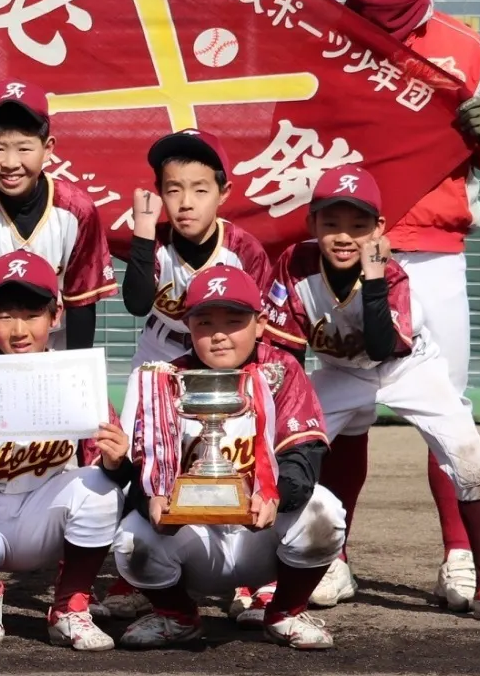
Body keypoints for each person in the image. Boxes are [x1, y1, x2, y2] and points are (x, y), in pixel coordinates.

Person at [339, 0, 480, 612]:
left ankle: (461, 557)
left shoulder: (461, 47)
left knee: (446, 409)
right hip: (340, 251)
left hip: (432, 250)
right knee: (343, 411)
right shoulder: (320, 37)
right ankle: (328, 555)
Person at [266, 168, 480, 625]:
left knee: (472, 459)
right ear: (311, 225)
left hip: (409, 369)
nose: (344, 236)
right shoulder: (295, 264)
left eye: (358, 225)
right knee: (277, 449)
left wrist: (373, 279)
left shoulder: (391, 276)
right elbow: (284, 350)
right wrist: (289, 418)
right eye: (331, 224)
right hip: (341, 373)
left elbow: (379, 346)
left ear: (379, 229)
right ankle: (272, 576)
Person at [113, 264, 346, 651]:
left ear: (260, 324)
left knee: (324, 511)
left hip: (261, 534)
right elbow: (144, 465)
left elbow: (304, 455)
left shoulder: (281, 371)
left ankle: (285, 612)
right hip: (192, 539)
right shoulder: (166, 379)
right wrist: (150, 498)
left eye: (234, 321)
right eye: (205, 322)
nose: (219, 334)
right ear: (188, 327)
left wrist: (278, 495)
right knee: (131, 539)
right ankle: (177, 616)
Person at [0, 251, 126, 651]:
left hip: (45, 509)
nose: (19, 330)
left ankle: (70, 605)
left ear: (55, 316)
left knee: (100, 488)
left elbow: (109, 472)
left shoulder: (74, 376)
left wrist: (117, 462)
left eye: (32, 315)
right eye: (5, 316)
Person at [0, 80, 116, 370]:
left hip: (52, 336)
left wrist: (77, 370)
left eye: (24, 148)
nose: (10, 162)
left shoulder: (75, 208)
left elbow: (81, 303)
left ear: (48, 149)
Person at [120, 128, 272, 372]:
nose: (186, 203)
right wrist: (144, 229)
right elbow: (137, 305)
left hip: (222, 351)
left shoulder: (244, 250)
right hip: (160, 348)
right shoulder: (154, 241)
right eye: (173, 190)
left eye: (200, 190)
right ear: (159, 192)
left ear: (223, 193)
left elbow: (260, 324)